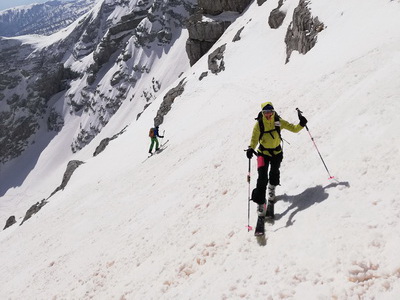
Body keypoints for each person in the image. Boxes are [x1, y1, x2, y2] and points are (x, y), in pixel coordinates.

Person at [246, 101, 307, 219]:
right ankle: (261, 203)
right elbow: (254, 139)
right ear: (263, 113)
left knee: (274, 172)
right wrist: (250, 149)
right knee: (262, 177)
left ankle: (271, 190)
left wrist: (302, 124)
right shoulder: (259, 124)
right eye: (266, 112)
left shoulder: (278, 121)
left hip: (276, 153)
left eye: (270, 112)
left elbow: (294, 129)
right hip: (262, 154)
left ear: (273, 111)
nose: (268, 114)